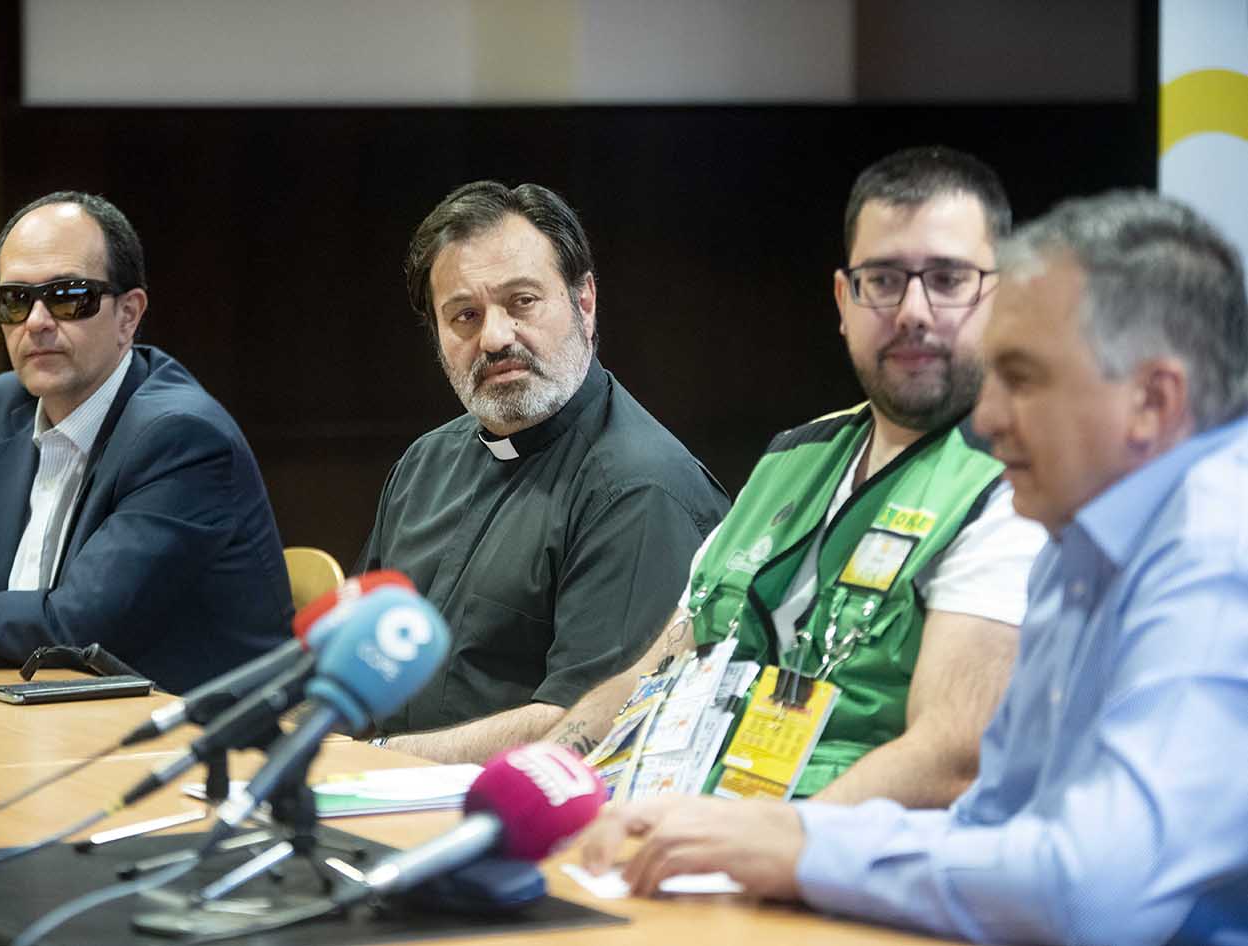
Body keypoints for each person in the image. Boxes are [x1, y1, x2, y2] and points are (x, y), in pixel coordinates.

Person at [582, 190, 1248, 946]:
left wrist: (798, 846)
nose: (988, 421)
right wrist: (771, 836)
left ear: (1151, 403)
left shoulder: (1219, 552)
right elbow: (992, 820)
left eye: (1023, 379)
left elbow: (1089, 891)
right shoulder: (1078, 536)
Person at [546, 146, 1046, 806]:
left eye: (948, 280)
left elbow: (950, 758)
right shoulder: (793, 459)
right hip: (681, 827)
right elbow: (661, 667)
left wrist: (732, 839)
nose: (913, 312)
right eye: (884, 281)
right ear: (844, 299)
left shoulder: (1020, 482)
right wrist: (537, 777)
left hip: (840, 865)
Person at [0, 192, 292, 694]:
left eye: (69, 296)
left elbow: (75, 628)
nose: (37, 322)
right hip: (39, 720)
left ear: (128, 316)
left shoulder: (181, 438)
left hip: (191, 741)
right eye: (15, 300)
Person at [358, 181, 731, 763]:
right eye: (465, 315)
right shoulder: (423, 465)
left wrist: (380, 759)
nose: (496, 336)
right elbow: (357, 656)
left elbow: (584, 722)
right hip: (371, 798)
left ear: (584, 300)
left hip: (529, 826)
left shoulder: (639, 489)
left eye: (522, 301)